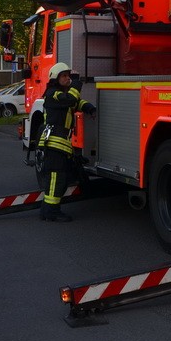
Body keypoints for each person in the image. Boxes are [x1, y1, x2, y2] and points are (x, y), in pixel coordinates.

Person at [38, 62, 96, 222]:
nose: (67, 78)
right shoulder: (53, 94)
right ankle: (51, 211)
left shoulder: (61, 95)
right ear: (56, 78)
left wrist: (90, 108)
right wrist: (77, 83)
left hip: (61, 144)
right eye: (64, 76)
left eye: (68, 76)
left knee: (61, 178)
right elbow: (71, 100)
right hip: (54, 143)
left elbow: (77, 103)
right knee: (57, 178)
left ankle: (47, 210)